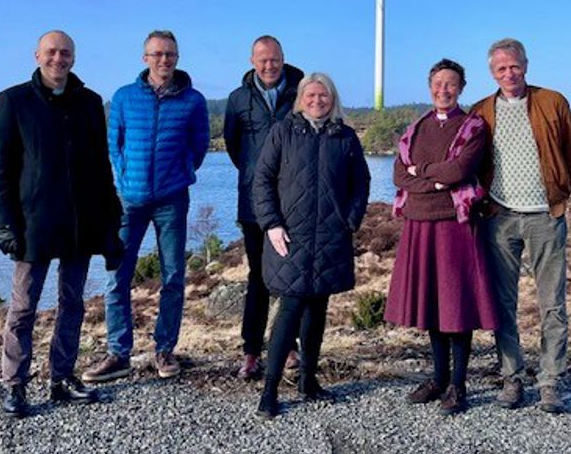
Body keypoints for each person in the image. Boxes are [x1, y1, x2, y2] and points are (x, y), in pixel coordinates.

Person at [0, 30, 123, 417]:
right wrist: (5, 225)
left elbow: (101, 169)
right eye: (51, 52)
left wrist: (111, 224)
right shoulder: (13, 101)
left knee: (73, 304)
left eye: (65, 53)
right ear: (37, 55)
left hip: (79, 224)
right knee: (23, 307)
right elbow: (0, 171)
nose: (58, 58)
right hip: (33, 223)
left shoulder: (89, 102)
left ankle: (61, 377)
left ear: (73, 58)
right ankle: (14, 384)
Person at [83, 31, 210, 383]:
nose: (163, 60)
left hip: (172, 198)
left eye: (169, 54)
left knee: (172, 275)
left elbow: (198, 145)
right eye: (157, 54)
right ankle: (118, 353)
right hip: (129, 200)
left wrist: (182, 171)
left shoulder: (193, 101)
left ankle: (165, 348)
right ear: (145, 58)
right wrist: (124, 177)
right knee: (117, 275)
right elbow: (114, 143)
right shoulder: (124, 98)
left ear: (177, 57)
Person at [469, 37, 571, 412]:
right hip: (499, 217)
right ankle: (511, 377)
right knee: (503, 302)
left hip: (545, 217)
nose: (509, 73)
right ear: (492, 72)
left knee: (552, 302)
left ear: (526, 65)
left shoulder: (553, 102)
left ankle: (550, 380)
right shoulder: (481, 110)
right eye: (501, 68)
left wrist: (560, 193)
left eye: (514, 66)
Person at [252, 73, 370, 418]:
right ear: (301, 98)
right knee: (290, 309)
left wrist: (350, 219)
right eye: (311, 95)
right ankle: (270, 390)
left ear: (333, 99)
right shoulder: (284, 132)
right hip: (291, 236)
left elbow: (361, 182)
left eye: (324, 96)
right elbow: (262, 181)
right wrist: (271, 223)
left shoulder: (344, 137)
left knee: (318, 309)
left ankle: (308, 382)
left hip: (331, 236)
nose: (318, 101)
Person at [385, 59, 497, 415]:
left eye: (450, 84)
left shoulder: (472, 126)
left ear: (461, 87)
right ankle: (438, 377)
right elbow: (400, 176)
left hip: (455, 225)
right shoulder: (415, 128)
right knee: (434, 305)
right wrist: (436, 179)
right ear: (429, 86)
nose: (443, 90)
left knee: (457, 306)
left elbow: (460, 170)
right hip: (419, 224)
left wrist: (427, 175)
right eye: (437, 83)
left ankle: (458, 385)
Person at [223, 35, 305, 380]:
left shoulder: (303, 91)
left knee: (291, 279)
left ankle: (288, 346)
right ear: (252, 61)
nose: (269, 66)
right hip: (254, 204)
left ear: (283, 58)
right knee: (258, 278)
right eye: (262, 60)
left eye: (274, 59)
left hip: (294, 201)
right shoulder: (238, 99)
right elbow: (233, 144)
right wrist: (255, 174)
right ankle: (251, 351)